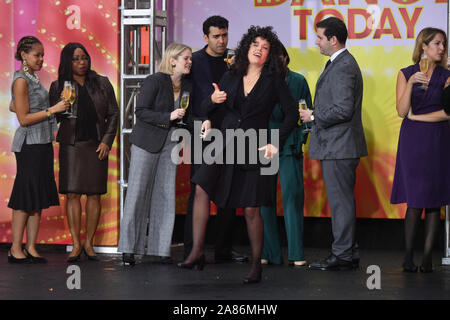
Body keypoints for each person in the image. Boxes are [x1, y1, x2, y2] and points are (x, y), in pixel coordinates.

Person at [178, 26, 298, 284]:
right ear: (247, 47)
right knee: (201, 186)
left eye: (265, 47)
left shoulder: (274, 81)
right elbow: (207, 107)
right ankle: (197, 250)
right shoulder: (232, 74)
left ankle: (256, 265)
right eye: (255, 44)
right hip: (224, 142)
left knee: (252, 209)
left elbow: (292, 114)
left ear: (269, 54)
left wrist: (275, 142)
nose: (259, 49)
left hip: (255, 146)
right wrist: (212, 103)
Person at [300, 17, 367, 271]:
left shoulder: (343, 66)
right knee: (342, 201)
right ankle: (347, 251)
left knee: (341, 202)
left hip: (340, 146)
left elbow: (343, 109)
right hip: (338, 145)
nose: (316, 42)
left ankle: (342, 254)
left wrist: (313, 115)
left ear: (333, 39)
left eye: (319, 37)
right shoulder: (339, 63)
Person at [118, 43, 194, 266]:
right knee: (137, 195)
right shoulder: (155, 80)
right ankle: (128, 249)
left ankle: (160, 250)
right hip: (146, 142)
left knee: (165, 196)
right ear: (172, 60)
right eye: (186, 58)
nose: (189, 62)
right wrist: (167, 116)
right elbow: (140, 112)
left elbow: (187, 115)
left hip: (171, 143)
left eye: (190, 59)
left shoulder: (188, 85)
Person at [184, 15, 247, 264]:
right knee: (198, 190)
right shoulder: (196, 61)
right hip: (204, 132)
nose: (222, 41)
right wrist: (208, 105)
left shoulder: (236, 60)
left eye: (225, 35)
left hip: (232, 132)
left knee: (229, 191)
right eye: (216, 36)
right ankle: (193, 249)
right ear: (205, 37)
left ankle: (223, 249)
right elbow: (188, 102)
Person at [49, 43, 119, 262]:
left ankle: (89, 243)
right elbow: (54, 118)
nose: (82, 62)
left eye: (84, 58)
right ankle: (76, 243)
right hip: (71, 146)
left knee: (94, 194)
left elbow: (114, 114)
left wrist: (107, 141)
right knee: (72, 194)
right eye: (76, 59)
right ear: (67, 62)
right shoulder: (58, 85)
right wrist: (61, 105)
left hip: (96, 145)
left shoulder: (102, 83)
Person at [391, 27, 450, 273]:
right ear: (423, 46)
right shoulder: (406, 73)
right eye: (437, 43)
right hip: (413, 142)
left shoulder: (448, 76)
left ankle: (427, 259)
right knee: (415, 200)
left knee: (435, 201)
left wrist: (419, 118)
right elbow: (402, 111)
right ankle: (407, 257)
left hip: (438, 139)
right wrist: (412, 83)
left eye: (443, 44)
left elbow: (448, 113)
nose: (442, 48)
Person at [8, 36, 69, 263]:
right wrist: (52, 110)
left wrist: (45, 109)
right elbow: (23, 119)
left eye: (43, 55)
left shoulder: (31, 78)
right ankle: (16, 249)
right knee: (25, 196)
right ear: (24, 55)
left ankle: (31, 247)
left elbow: (13, 105)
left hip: (42, 142)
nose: (41, 59)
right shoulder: (22, 80)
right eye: (37, 55)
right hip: (28, 145)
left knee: (36, 197)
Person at [260, 42, 312, 266]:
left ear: (285, 57)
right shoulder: (259, 80)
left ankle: (296, 253)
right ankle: (269, 252)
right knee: (264, 199)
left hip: (289, 143)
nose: (277, 61)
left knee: (292, 197)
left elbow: (306, 113)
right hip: (262, 143)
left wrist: (300, 140)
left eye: (280, 56)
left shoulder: (298, 81)